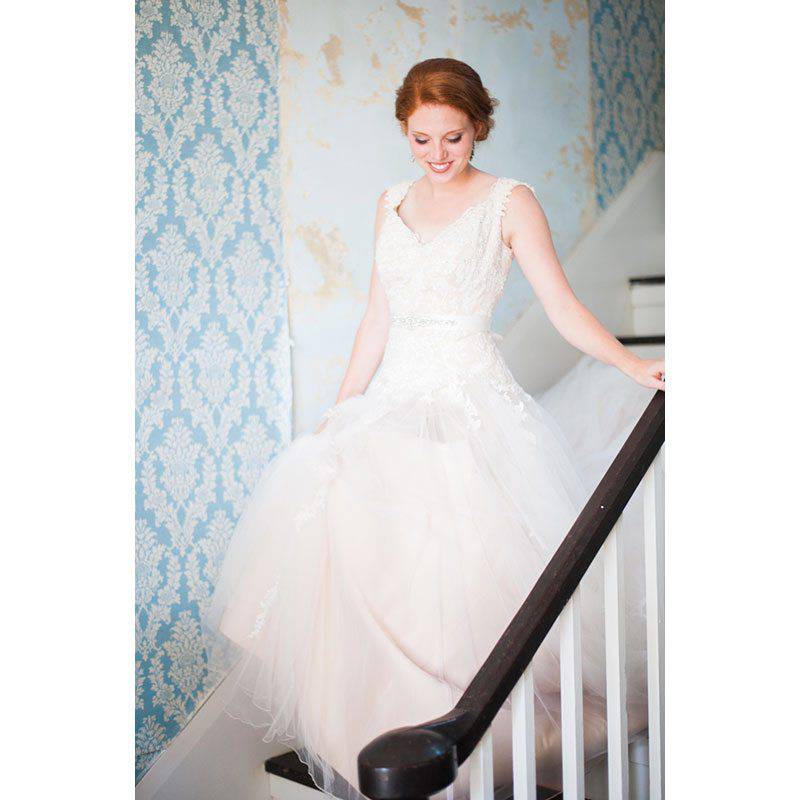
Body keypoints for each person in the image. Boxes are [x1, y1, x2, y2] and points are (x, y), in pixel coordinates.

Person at [203, 58, 665, 800]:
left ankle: (468, 725)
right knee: (355, 529)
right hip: (394, 399)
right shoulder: (391, 202)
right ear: (404, 131)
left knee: (464, 572)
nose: (438, 154)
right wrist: (340, 407)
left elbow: (561, 305)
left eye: (453, 137)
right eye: (422, 139)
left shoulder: (509, 202)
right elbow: (377, 319)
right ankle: (381, 727)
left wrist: (628, 362)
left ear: (479, 125)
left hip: (470, 400)